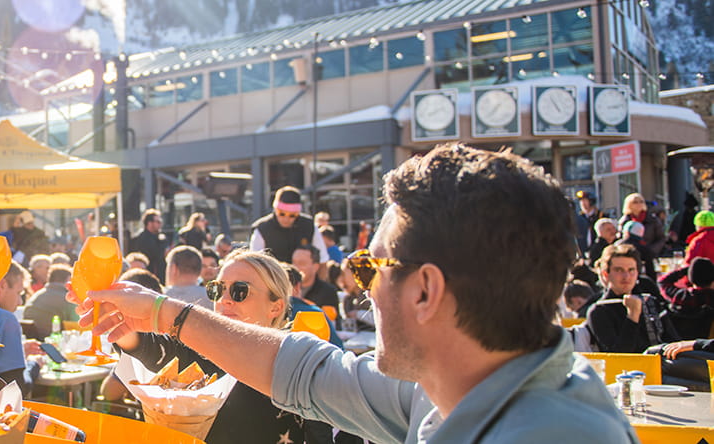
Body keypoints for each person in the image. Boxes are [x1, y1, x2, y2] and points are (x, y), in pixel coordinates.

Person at [77, 144, 636, 443]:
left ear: (425, 291)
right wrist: (159, 312)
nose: (361, 288)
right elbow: (307, 373)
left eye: (370, 266)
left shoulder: (551, 435)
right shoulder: (444, 390)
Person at [111, 250, 331, 444]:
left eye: (239, 291)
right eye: (217, 289)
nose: (224, 300)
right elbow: (156, 350)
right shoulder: (204, 350)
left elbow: (322, 435)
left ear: (276, 307)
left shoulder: (296, 367)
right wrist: (122, 325)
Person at [586, 241, 680, 354]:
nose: (626, 276)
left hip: (661, 367)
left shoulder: (650, 302)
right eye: (619, 270)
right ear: (606, 274)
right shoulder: (599, 310)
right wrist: (632, 316)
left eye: (631, 270)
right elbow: (618, 356)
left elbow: (674, 343)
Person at [249, 186, 329, 264]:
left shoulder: (309, 226)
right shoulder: (262, 229)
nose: (286, 218)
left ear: (298, 213)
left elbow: (322, 259)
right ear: (275, 209)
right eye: (282, 213)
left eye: (292, 215)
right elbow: (256, 263)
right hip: (273, 274)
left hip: (304, 275)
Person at [658, 257, 714, 340]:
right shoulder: (710, 298)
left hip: (676, 346)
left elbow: (662, 281)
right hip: (705, 348)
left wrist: (688, 269)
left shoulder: (679, 296)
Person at [23, 264, 78, 340]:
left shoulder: (36, 296)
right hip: (55, 344)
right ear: (68, 280)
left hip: (31, 343)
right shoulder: (68, 300)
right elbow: (78, 327)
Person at [291, 245, 340, 319]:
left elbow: (333, 321)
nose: (296, 267)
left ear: (315, 267)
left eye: (301, 263)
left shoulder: (327, 291)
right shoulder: (285, 288)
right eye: (293, 263)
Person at [618, 193, 666, 260]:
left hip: (649, 255)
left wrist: (651, 250)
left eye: (641, 201)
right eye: (635, 202)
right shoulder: (624, 221)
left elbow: (661, 238)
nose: (639, 204)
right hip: (630, 255)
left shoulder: (653, 220)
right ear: (629, 204)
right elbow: (621, 238)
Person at [131, 208, 169, 282]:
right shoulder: (144, 238)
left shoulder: (158, 237)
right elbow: (156, 255)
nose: (160, 224)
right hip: (150, 277)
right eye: (158, 221)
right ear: (149, 223)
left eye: (160, 221)